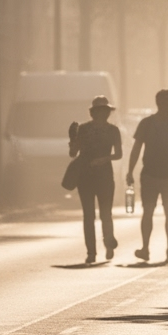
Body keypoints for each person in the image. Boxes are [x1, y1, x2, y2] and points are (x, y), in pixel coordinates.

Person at [126, 89, 168, 263]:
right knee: (148, 211)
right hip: (150, 175)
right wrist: (130, 171)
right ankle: (146, 248)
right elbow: (136, 148)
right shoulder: (146, 124)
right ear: (159, 103)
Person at [69, 95, 123, 264]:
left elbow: (119, 154)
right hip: (85, 176)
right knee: (88, 215)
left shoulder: (114, 131)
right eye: (100, 111)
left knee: (106, 213)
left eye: (106, 111)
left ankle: (108, 243)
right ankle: (91, 252)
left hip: (105, 176)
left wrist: (104, 159)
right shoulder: (83, 129)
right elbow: (73, 154)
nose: (104, 114)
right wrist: (72, 140)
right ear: (93, 113)